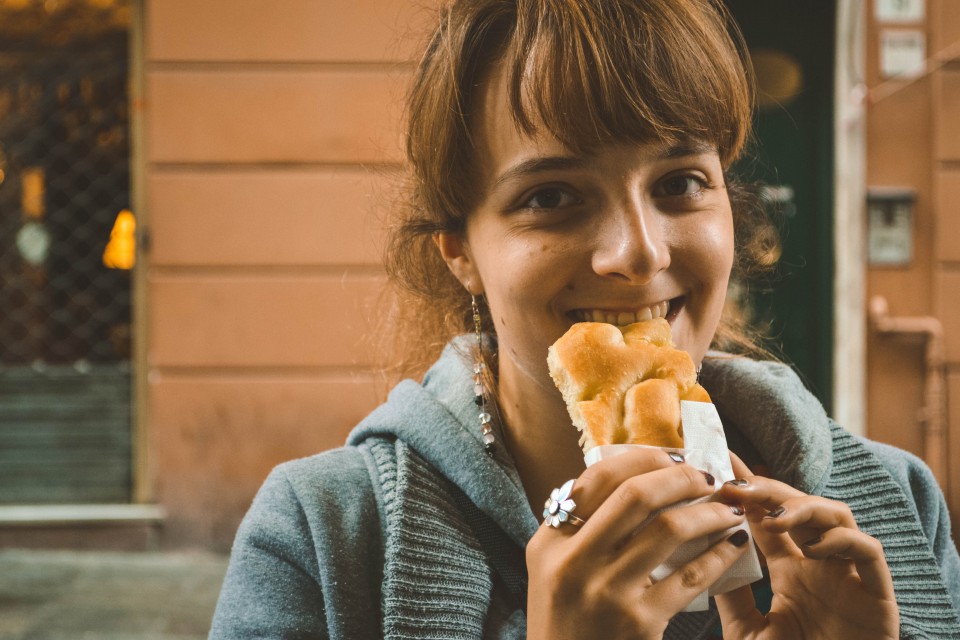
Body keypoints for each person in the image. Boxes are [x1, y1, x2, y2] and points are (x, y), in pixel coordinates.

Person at [209, 0, 960, 638]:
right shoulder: (322, 537)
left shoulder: (895, 507)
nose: (636, 252)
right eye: (551, 196)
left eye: (679, 182)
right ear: (461, 252)